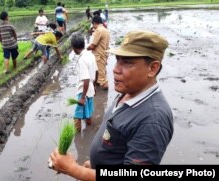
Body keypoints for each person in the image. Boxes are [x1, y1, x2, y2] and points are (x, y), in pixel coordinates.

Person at [48, 30, 174, 180]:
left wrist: (74, 169)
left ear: (152, 68)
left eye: (127, 62)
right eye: (117, 60)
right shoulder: (129, 92)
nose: (115, 69)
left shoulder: (153, 119)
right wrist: (94, 164)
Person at [70, 33, 98, 133]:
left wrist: (82, 97)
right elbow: (96, 71)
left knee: (77, 116)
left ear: (74, 48)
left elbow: (85, 79)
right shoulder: (90, 55)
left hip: (83, 91)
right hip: (90, 90)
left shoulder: (82, 59)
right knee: (88, 113)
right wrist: (94, 86)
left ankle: (77, 136)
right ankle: (89, 133)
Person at [87, 16, 110, 90]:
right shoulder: (105, 30)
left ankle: (103, 97)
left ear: (94, 23)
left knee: (101, 78)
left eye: (93, 24)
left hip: (98, 56)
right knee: (102, 73)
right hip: (104, 54)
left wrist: (86, 49)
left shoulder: (99, 31)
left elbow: (93, 45)